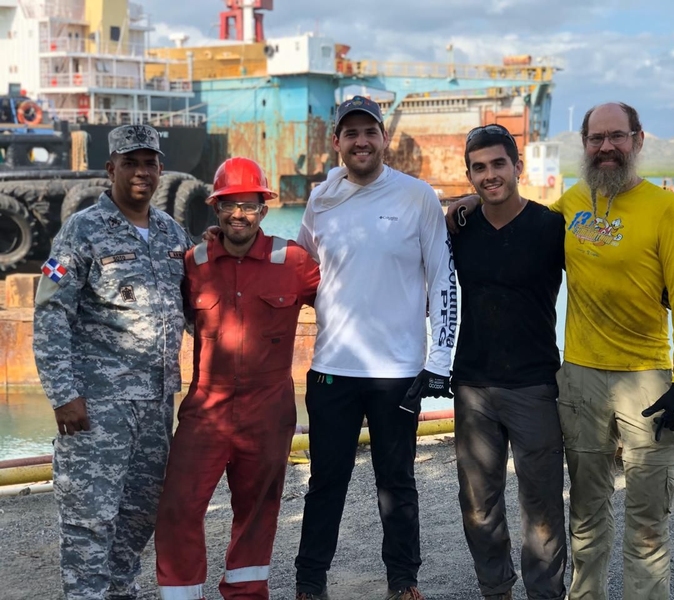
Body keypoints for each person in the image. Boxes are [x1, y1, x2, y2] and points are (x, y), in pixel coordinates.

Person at [446, 102, 674, 600]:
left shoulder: (667, 209)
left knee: (647, 523)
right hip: (579, 379)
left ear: (638, 140)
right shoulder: (573, 205)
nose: (606, 147)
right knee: (586, 517)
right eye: (596, 139)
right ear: (584, 145)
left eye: (617, 137)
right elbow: (509, 213)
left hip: (646, 379)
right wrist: (468, 202)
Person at [293, 95, 454, 600]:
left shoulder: (417, 197)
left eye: (370, 132)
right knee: (326, 483)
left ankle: (403, 580)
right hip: (332, 370)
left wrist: (439, 361)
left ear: (385, 138)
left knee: (397, 484)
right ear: (337, 142)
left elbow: (444, 280)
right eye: (351, 133)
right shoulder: (322, 199)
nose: (361, 141)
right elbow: (300, 269)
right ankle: (309, 581)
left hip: (397, 371)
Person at [33, 124, 192, 600]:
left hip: (155, 405)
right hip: (97, 409)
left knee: (139, 515)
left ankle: (123, 592)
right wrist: (64, 396)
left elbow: (194, 304)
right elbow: (50, 312)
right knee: (90, 519)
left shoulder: (171, 233)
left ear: (161, 169)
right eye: (131, 163)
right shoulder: (80, 231)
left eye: (150, 163)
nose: (142, 172)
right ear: (111, 169)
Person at [154, 157, 320, 600]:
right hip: (206, 408)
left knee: (257, 511)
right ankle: (182, 595)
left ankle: (246, 594)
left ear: (264, 209)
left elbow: (347, 303)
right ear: (216, 210)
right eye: (228, 205)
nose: (238, 214)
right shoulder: (195, 261)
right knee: (177, 507)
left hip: (269, 409)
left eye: (248, 205)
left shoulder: (295, 262)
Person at [452, 124, 567, 600]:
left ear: (517, 167)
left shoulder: (549, 227)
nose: (490, 175)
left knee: (541, 507)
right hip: (473, 385)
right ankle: (495, 589)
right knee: (478, 506)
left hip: (534, 384)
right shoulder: (457, 228)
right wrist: (460, 204)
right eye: (479, 168)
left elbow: (601, 279)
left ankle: (545, 594)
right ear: (470, 175)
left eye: (499, 164)